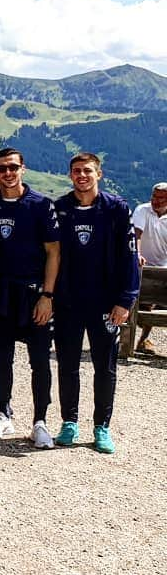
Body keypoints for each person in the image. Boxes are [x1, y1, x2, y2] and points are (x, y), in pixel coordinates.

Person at [53, 154, 139, 453]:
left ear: (99, 174)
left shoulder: (116, 208)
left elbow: (130, 256)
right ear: (70, 175)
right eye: (76, 171)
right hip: (68, 303)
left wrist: (125, 299)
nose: (82, 176)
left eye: (87, 171)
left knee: (105, 367)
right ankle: (69, 422)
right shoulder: (61, 207)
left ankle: (102, 426)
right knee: (67, 365)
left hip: (105, 304)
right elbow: (52, 255)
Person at [0, 148, 60, 448]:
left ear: (23, 168)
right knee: (2, 358)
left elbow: (54, 252)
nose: (7, 173)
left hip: (35, 294)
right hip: (0, 294)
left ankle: (40, 421)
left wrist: (47, 295)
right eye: (2, 169)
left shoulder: (40, 205)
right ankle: (3, 413)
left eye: (13, 167)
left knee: (40, 360)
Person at [131, 182, 167, 355]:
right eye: (154, 196)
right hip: (140, 263)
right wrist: (137, 254)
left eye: (161, 198)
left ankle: (143, 339)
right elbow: (136, 233)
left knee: (150, 303)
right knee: (140, 301)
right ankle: (138, 338)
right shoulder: (142, 210)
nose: (156, 201)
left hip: (162, 265)